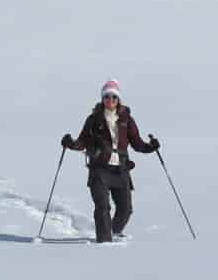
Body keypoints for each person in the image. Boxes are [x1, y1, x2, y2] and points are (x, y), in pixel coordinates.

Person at [60, 79, 159, 243]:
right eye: (107, 97)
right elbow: (83, 141)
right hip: (99, 168)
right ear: (102, 98)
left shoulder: (127, 119)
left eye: (114, 97)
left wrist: (151, 147)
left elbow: (137, 143)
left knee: (126, 209)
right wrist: (71, 144)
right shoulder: (93, 119)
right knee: (102, 208)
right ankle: (104, 244)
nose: (110, 100)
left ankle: (112, 232)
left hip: (121, 169)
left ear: (118, 99)